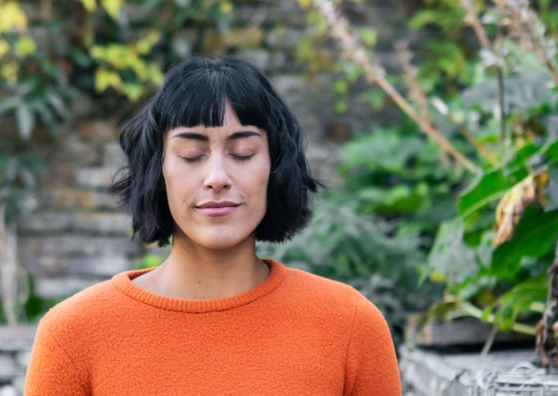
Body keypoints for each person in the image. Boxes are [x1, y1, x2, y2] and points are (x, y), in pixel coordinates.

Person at [24, 56, 401, 395]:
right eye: (191, 155)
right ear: (158, 171)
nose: (216, 177)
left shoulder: (350, 325)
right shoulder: (73, 335)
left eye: (242, 153)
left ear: (274, 167)